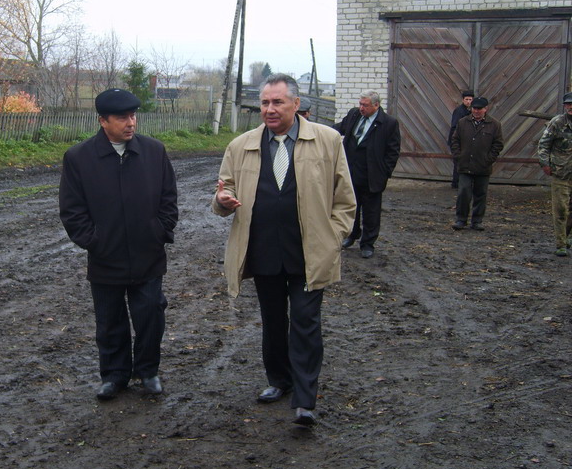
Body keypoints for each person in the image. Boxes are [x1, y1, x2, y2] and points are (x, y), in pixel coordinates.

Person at [212, 74, 356, 426]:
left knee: (306, 322)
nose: (269, 109)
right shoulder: (241, 145)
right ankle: (278, 380)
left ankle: (305, 399)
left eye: (277, 102)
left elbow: (345, 199)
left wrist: (333, 237)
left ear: (296, 104)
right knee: (273, 322)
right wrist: (222, 201)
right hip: (262, 250)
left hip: (309, 252)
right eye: (264, 102)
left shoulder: (328, 140)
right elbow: (223, 194)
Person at [59, 88, 178, 400]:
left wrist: (158, 231)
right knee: (110, 321)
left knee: (150, 315)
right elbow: (72, 210)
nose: (131, 122)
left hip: (148, 255)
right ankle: (114, 375)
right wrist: (95, 241)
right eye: (122, 117)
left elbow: (169, 199)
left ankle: (148, 371)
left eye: (133, 115)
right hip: (105, 258)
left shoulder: (154, 152)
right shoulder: (79, 158)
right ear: (102, 121)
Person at [334, 90, 401, 258]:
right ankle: (352, 234)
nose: (361, 108)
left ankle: (368, 243)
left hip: (372, 176)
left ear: (376, 105)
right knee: (351, 207)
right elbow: (339, 129)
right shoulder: (354, 115)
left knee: (371, 212)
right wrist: (317, 130)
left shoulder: (388, 123)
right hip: (351, 172)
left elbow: (393, 151)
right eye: (360, 104)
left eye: (365, 105)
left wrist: (385, 172)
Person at [450, 97, 503, 231]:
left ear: (486, 109)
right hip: (465, 165)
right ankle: (461, 219)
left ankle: (477, 221)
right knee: (463, 193)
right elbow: (455, 140)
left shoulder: (494, 125)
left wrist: (489, 159)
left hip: (483, 166)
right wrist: (458, 156)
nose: (476, 111)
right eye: (474, 108)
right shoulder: (463, 123)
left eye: (479, 108)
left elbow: (498, 144)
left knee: (480, 194)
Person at [537, 92, 572, 256]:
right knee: (561, 209)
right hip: (561, 173)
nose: (571, 107)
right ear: (565, 106)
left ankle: (568, 237)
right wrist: (545, 164)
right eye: (568, 104)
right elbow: (543, 144)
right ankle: (561, 244)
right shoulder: (557, 123)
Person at [449, 90, 475, 188]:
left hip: (465, 141)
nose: (468, 101)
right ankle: (456, 183)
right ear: (463, 100)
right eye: (466, 99)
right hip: (458, 140)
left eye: (470, 99)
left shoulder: (470, 111)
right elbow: (455, 126)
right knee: (458, 161)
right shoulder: (459, 111)